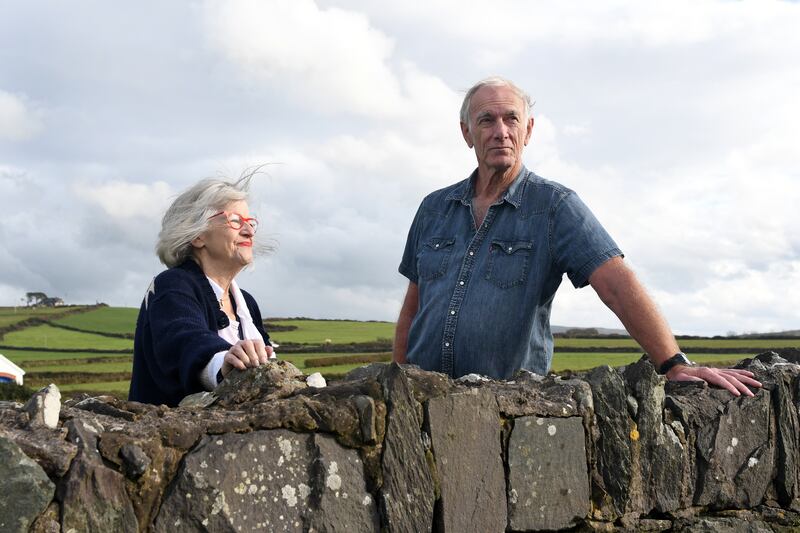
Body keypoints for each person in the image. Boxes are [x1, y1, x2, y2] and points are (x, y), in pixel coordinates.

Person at [393, 76, 761, 396]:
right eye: (486, 120)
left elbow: (617, 283)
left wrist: (673, 363)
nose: (500, 131)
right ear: (466, 133)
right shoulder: (434, 208)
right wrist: (398, 383)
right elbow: (413, 307)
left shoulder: (554, 206)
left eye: (511, 119)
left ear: (529, 130)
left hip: (502, 411)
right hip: (421, 399)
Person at [129, 174, 274, 406]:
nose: (249, 230)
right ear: (198, 235)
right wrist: (223, 360)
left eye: (250, 221)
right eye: (235, 220)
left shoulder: (246, 303)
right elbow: (183, 337)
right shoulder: (172, 286)